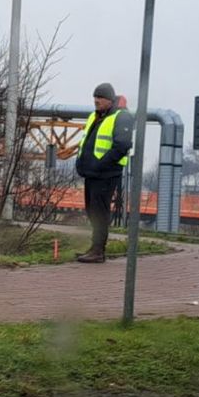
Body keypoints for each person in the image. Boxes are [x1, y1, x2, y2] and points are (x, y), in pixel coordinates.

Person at [75, 82, 133, 263]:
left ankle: (98, 251)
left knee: (100, 212)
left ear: (109, 99)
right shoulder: (95, 116)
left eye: (100, 97)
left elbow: (122, 146)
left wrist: (100, 164)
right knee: (92, 211)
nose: (96, 101)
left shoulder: (121, 117)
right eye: (95, 97)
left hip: (106, 174)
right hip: (92, 173)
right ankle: (94, 248)